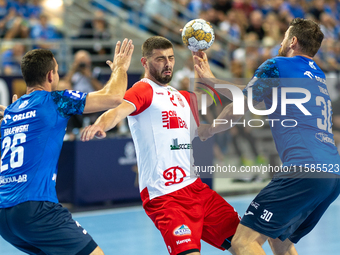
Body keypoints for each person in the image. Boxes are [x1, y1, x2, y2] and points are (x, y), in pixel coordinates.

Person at [81, 36, 241, 255]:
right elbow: (117, 111)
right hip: (166, 196)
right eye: (160, 59)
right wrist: (100, 124)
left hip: (196, 188)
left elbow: (233, 107)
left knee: (245, 242)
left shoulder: (183, 97)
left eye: (171, 58)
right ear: (145, 63)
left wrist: (211, 81)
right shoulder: (144, 90)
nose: (167, 64)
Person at [196, 18, 340, 255]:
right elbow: (253, 89)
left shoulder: (277, 65)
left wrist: (209, 130)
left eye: (284, 36)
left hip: (304, 170)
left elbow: (239, 108)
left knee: (243, 241)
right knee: (279, 240)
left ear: (293, 41)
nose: (281, 41)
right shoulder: (318, 76)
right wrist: (212, 81)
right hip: (332, 174)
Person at [0, 38, 134, 255]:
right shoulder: (56, 100)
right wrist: (120, 68)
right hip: (36, 207)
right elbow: (114, 97)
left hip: (4, 214)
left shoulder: (13, 111)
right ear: (51, 75)